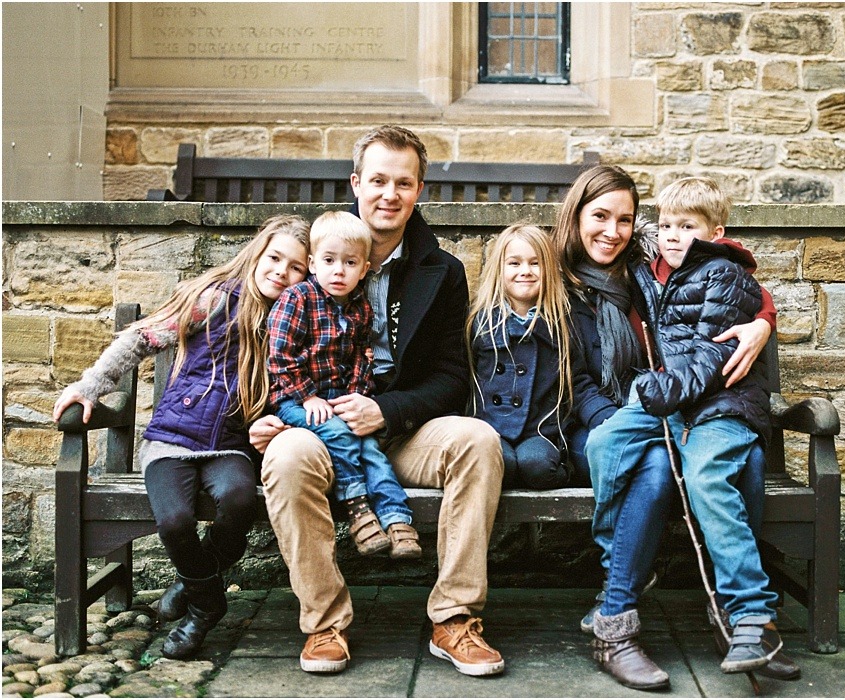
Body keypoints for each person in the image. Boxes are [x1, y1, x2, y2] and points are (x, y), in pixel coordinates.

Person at [248, 125, 505, 677]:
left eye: (404, 182)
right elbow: (249, 342)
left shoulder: (443, 272)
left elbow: (452, 376)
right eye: (379, 180)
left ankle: (454, 618)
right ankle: (325, 624)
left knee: (478, 440)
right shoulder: (314, 258)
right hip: (321, 425)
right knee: (287, 457)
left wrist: (388, 410)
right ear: (356, 182)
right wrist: (261, 419)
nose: (390, 194)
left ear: (418, 190)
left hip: (403, 430)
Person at [552, 165, 781, 690]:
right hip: (604, 413)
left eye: (625, 220)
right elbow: (575, 378)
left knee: (723, 464)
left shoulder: (650, 261)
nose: (613, 231)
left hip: (680, 399)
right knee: (648, 461)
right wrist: (631, 406)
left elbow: (730, 288)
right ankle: (622, 597)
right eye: (600, 217)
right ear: (575, 216)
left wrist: (763, 320)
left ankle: (743, 620)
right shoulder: (557, 278)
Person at [52, 215, 311, 660]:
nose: (281, 272)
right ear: (256, 253)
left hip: (232, 445)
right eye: (275, 258)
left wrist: (279, 424)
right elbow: (140, 339)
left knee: (239, 501)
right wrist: (88, 387)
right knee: (173, 522)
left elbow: (297, 387)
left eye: (296, 268)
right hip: (172, 440)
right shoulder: (211, 299)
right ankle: (208, 604)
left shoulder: (295, 321)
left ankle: (192, 581)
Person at [624, 177, 788, 675]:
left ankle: (751, 615)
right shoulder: (653, 274)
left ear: (717, 232)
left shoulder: (723, 274)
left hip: (723, 407)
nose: (673, 235)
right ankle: (622, 584)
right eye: (667, 224)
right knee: (612, 444)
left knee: (710, 478)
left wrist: (657, 390)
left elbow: (707, 356)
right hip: (681, 411)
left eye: (687, 226)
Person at [267, 211, 421, 559]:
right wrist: (308, 397)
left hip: (339, 399)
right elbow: (279, 358)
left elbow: (361, 358)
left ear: (364, 269)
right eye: (329, 260)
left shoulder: (360, 308)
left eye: (350, 263)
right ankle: (358, 512)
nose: (339, 270)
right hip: (295, 399)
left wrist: (355, 394)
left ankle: (397, 520)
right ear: (311, 263)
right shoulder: (297, 299)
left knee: (372, 452)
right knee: (340, 435)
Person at [466, 222, 584, 490]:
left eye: (535, 263)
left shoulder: (561, 323)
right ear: (500, 269)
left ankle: (565, 468)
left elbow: (575, 379)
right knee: (499, 464)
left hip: (539, 431)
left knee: (538, 466)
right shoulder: (481, 322)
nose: (525, 272)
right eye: (515, 263)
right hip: (492, 428)